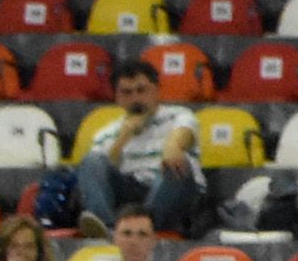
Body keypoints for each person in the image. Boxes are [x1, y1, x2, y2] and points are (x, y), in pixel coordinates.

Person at [74, 56, 202, 234]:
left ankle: (142, 231)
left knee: (175, 164)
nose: (136, 99)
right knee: (91, 161)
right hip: (129, 195)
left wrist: (172, 148)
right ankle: (108, 230)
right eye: (127, 93)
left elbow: (180, 139)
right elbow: (100, 178)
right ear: (117, 98)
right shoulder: (106, 134)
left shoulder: (178, 115)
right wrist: (123, 138)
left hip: (172, 191)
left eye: (141, 90)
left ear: (156, 91)